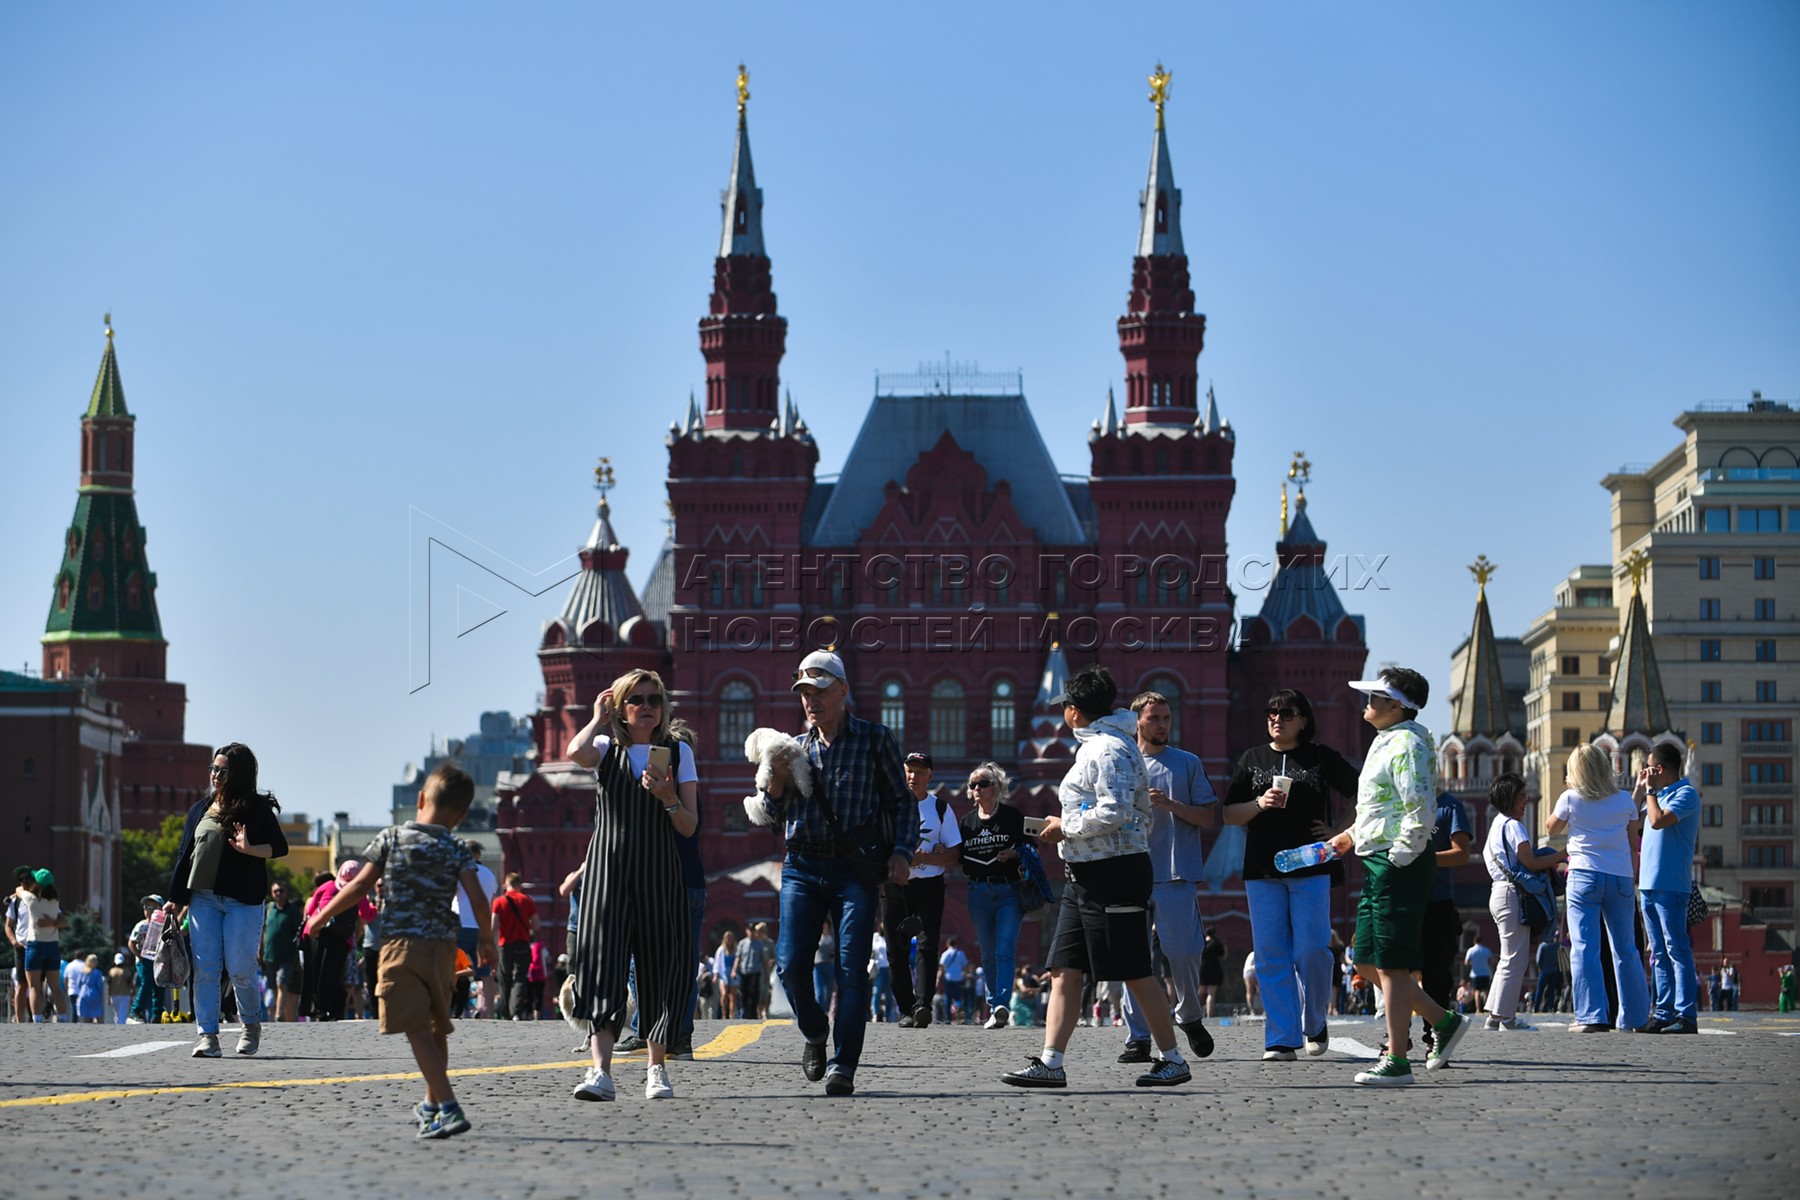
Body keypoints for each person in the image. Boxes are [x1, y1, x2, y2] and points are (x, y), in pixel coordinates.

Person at [1002, 663, 1192, 1090]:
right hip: (1084, 873)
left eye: (1065, 707)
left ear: (1073, 711)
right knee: (1065, 968)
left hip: (1115, 873)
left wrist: (1063, 827)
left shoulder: (1107, 749)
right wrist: (1065, 823)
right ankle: (1051, 1062)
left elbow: (1116, 811)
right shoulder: (1100, 745)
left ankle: (1173, 1058)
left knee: (1134, 969)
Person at [752, 648, 914, 1097]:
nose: (811, 700)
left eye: (820, 690)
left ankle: (844, 1065)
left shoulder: (875, 739)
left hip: (853, 871)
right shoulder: (791, 749)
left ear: (843, 691)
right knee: (789, 966)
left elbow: (901, 802)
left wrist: (901, 852)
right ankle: (815, 1033)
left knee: (851, 970)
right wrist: (778, 780)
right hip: (802, 866)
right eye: (804, 692)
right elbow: (769, 815)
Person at [304, 763, 497, 1139]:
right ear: (459, 817)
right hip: (444, 949)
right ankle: (431, 1107)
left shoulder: (391, 837)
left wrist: (321, 916)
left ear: (421, 799)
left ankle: (451, 1107)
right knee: (435, 1027)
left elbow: (360, 886)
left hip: (401, 947)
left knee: (414, 1027)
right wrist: (488, 942)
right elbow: (478, 898)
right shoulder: (457, 847)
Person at [565, 667, 698, 1103]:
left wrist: (668, 798)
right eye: (636, 700)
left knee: (658, 967)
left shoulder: (677, 753)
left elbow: (688, 826)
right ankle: (600, 1072)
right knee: (602, 967)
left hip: (659, 872)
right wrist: (596, 719)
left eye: (654, 700)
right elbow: (574, 751)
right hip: (609, 872)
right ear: (621, 707)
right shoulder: (606, 748)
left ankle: (656, 1070)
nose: (646, 707)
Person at [1331, 668, 1469, 1086]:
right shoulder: (1386, 741)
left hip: (1396, 864)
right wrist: (1351, 836)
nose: (1366, 703)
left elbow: (1419, 808)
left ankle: (1397, 1059)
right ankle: (1442, 1021)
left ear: (1396, 705)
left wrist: (1399, 857)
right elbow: (1379, 807)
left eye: (1375, 696)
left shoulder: (1408, 743)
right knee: (1367, 959)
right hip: (1378, 859)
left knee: (1392, 962)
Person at [1222, 688, 1360, 1060]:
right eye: (1271, 711)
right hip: (1262, 867)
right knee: (1270, 953)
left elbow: (1362, 792)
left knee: (1312, 950)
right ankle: (1282, 1037)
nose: (1276, 718)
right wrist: (1258, 803)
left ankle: (1314, 1020)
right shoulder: (1251, 759)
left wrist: (1340, 832)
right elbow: (1229, 813)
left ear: (1303, 720)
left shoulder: (1318, 757)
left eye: (1286, 712)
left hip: (1311, 863)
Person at [165, 743, 289, 1056]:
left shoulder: (257, 809)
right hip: (202, 899)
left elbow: (279, 846)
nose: (215, 775)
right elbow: (185, 856)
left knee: (240, 968)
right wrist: (174, 899)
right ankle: (207, 1035)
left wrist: (250, 849)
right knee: (205, 967)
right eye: (213, 768)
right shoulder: (200, 809)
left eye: (222, 770)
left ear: (239, 774)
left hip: (242, 901)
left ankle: (250, 1025)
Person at [1118, 689, 1219, 1064]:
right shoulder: (1122, 763)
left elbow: (1208, 817)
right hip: (1128, 871)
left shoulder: (1186, 763)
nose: (1162, 724)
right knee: (1134, 958)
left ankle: (1189, 1015)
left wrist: (1171, 805)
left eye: (1166, 718)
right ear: (1137, 723)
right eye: (1154, 718)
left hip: (1175, 872)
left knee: (1185, 952)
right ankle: (1138, 1037)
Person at [1547, 743, 1649, 1034]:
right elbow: (1632, 843)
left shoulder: (1570, 798)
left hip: (1584, 876)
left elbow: (1551, 828)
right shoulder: (1624, 802)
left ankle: (1591, 1015)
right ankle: (1635, 1018)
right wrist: (1632, 878)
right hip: (1620, 877)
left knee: (1584, 948)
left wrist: (1568, 791)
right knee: (1626, 949)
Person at [1482, 773, 1565, 1030]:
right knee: (1515, 958)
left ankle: (1496, 1015)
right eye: (1521, 796)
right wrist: (1562, 855)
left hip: (1498, 892)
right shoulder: (1514, 826)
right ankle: (1507, 1018)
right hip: (1513, 894)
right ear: (1510, 798)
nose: (1526, 800)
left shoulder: (1495, 825)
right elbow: (1530, 861)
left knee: (1508, 956)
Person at [885, 751, 961, 1028]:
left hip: (929, 885)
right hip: (894, 885)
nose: (912, 777)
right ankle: (905, 1009)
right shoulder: (888, 807)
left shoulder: (940, 809)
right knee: (896, 949)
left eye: (919, 772)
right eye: (909, 771)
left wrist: (925, 858)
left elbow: (954, 855)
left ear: (930, 776)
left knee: (928, 945)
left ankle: (923, 1005)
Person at [1636, 743, 1701, 1034]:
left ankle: (1685, 1015)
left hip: (1671, 886)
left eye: (1650, 768)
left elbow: (1658, 821)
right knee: (1658, 953)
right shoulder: (1656, 795)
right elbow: (1632, 821)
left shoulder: (1685, 794)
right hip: (1648, 886)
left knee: (1677, 949)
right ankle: (1664, 1012)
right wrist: (1641, 789)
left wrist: (1650, 793)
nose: (1647, 772)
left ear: (1660, 769)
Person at [958, 761, 1028, 1030]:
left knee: (1005, 949)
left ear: (997, 788)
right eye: (973, 785)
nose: (977, 788)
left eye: (983, 784)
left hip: (1009, 890)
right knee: (987, 953)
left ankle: (1001, 1004)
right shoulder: (966, 821)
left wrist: (1014, 853)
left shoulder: (1012, 816)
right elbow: (958, 854)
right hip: (978, 892)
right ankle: (993, 1004)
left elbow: (1030, 849)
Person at [1419, 787, 1473, 1049]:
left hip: (1437, 901)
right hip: (1404, 898)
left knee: (1436, 976)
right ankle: (1397, 1039)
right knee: (1398, 972)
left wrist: (1424, 860)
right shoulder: (1402, 803)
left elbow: (1462, 853)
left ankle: (1435, 1038)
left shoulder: (1450, 806)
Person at [302, 861, 375, 1022]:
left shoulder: (328, 885)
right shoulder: (357, 891)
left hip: (319, 934)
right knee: (334, 975)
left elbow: (311, 907)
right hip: (342, 939)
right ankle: (334, 1010)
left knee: (317, 973)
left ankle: (319, 1009)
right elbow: (367, 914)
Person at [452, 839, 499, 1018]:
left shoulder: (462, 872)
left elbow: (451, 892)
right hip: (482, 928)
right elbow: (491, 898)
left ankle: (457, 1010)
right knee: (485, 972)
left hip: (462, 924)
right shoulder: (490, 875)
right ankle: (488, 1012)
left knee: (459, 968)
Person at [491, 872, 541, 1020]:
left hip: (505, 945)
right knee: (520, 977)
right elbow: (537, 925)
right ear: (519, 885)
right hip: (523, 943)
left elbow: (493, 925)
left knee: (505, 977)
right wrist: (527, 926)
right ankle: (517, 1013)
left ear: (506, 884)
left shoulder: (499, 901)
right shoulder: (527, 900)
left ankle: (505, 1013)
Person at [19, 870, 68, 1022]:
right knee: (55, 987)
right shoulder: (55, 902)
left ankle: (37, 1019)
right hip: (53, 946)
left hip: (35, 946)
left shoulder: (31, 899)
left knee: (34, 986)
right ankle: (63, 1018)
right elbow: (63, 921)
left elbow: (19, 890)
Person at [261, 880, 304, 1022]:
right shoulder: (269, 909)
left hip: (287, 955)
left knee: (282, 983)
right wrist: (259, 950)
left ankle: (279, 1015)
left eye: (281, 891)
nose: (278, 894)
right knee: (272, 986)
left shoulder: (292, 912)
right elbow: (264, 930)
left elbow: (299, 933)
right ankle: (278, 1014)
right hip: (270, 955)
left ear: (287, 893)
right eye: (275, 891)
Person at [127, 894, 165, 1024]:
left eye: (153, 907)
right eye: (147, 907)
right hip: (144, 959)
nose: (149, 910)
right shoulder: (141, 926)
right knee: (146, 983)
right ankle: (135, 1011)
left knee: (159, 985)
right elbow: (131, 943)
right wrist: (140, 956)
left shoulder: (163, 926)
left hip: (158, 959)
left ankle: (157, 1014)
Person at [737, 922, 772, 1021]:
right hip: (744, 971)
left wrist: (766, 974)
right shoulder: (742, 943)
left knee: (754, 993)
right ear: (746, 931)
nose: (751, 933)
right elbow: (738, 958)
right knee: (744, 993)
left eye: (753, 931)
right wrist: (734, 971)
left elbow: (764, 961)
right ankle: (745, 1012)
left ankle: (752, 1013)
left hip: (755, 972)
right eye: (750, 931)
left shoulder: (759, 944)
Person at [938, 935, 970, 1023]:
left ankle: (948, 1018)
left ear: (948, 944)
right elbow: (965, 966)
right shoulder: (961, 953)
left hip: (948, 978)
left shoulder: (945, 954)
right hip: (958, 978)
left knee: (948, 998)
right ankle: (960, 1016)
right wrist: (965, 976)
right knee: (958, 998)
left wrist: (938, 979)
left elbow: (941, 967)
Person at [1532, 935, 1564, 1014]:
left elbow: (1538, 959)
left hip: (1544, 971)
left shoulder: (1543, 945)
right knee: (1551, 991)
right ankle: (1548, 1007)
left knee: (1540, 990)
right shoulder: (1556, 946)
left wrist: (1540, 967)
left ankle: (1536, 1007)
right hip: (1553, 970)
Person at [713, 930, 740, 1019]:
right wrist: (715, 975)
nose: (729, 941)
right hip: (723, 973)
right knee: (724, 994)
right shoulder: (721, 950)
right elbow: (717, 962)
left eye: (731, 939)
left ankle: (732, 1014)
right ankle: (724, 1013)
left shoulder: (736, 949)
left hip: (733, 972)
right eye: (728, 939)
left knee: (733, 995)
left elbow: (739, 960)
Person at [1463, 940, 1495, 1013]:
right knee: (1485, 991)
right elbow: (1491, 961)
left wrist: (1474, 963)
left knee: (1477, 991)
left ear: (1474, 941)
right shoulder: (1486, 950)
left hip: (1475, 974)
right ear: (1481, 942)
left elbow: (1466, 962)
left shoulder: (1471, 950)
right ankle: (1487, 1008)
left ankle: (1478, 1009)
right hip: (1485, 973)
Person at [107, 951, 132, 1023]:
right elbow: (130, 984)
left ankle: (118, 1025)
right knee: (122, 1013)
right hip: (125, 995)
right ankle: (121, 1027)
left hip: (114, 995)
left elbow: (109, 985)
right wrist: (134, 991)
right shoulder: (126, 972)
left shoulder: (111, 971)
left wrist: (108, 996)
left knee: (116, 1013)